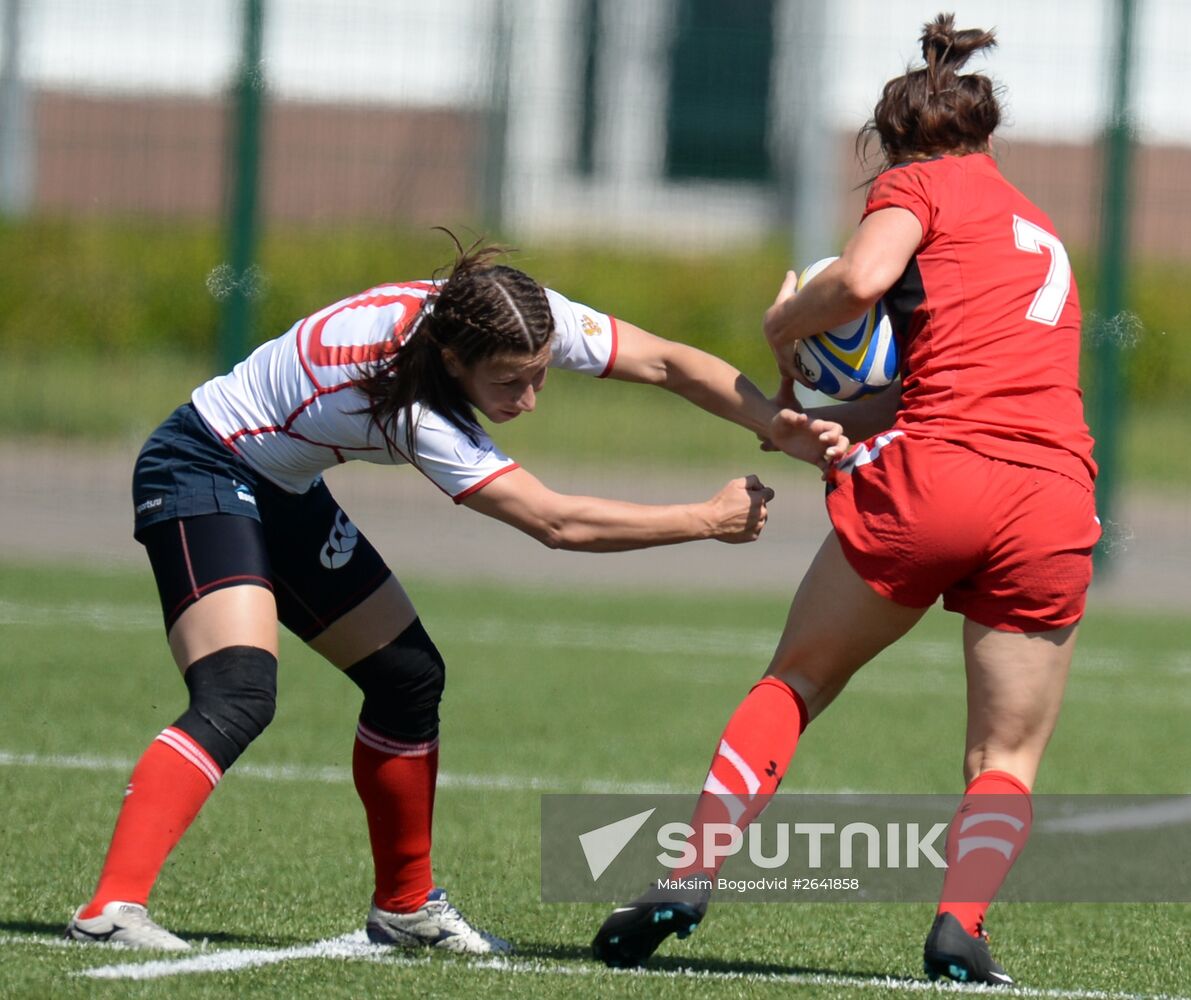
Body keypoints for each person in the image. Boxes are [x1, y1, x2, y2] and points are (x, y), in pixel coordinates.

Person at [64, 237, 849, 953]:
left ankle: (404, 910)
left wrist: (780, 425)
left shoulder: (514, 313)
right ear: (449, 356)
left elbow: (671, 364)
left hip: (280, 484)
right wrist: (703, 520)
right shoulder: (408, 403)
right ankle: (112, 909)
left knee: (408, 680)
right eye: (510, 382)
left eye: (541, 372)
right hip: (201, 466)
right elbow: (554, 522)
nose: (532, 396)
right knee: (239, 691)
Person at [593, 13, 1099, 986]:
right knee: (1005, 751)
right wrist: (831, 420)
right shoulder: (1034, 226)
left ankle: (692, 872)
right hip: (1051, 497)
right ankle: (960, 929)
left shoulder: (917, 183)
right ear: (987, 137)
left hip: (943, 476)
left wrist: (785, 321)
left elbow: (863, 280)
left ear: (895, 143)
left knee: (797, 679)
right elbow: (941, 384)